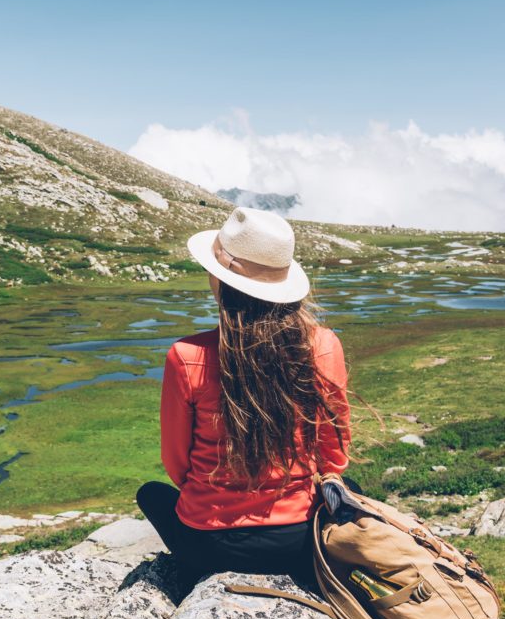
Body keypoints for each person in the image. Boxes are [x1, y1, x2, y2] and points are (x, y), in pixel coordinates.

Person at [136, 206, 351, 588]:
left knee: (151, 494)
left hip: (209, 542)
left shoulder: (186, 357)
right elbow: (334, 457)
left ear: (221, 280)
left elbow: (177, 466)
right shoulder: (324, 346)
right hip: (300, 541)